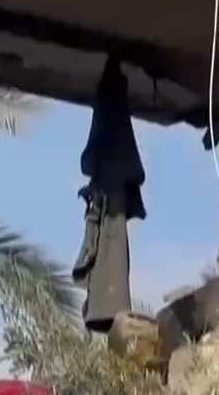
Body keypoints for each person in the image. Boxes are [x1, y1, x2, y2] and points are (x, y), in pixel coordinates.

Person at [73, 57, 146, 336]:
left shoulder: (110, 124)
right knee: (110, 259)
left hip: (111, 206)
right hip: (109, 204)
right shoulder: (112, 124)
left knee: (111, 258)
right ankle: (106, 308)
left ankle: (107, 308)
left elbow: (90, 161)